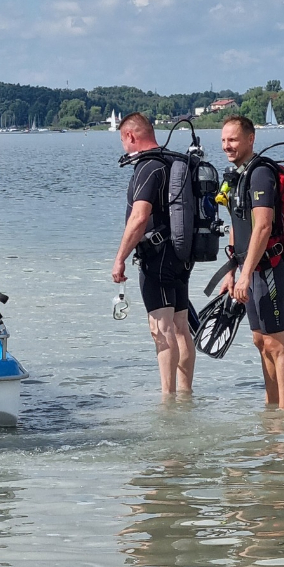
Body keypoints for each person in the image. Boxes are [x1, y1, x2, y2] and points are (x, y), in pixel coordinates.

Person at [111, 112, 195, 397]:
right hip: (183, 254)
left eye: (123, 141)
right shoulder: (174, 161)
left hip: (157, 256)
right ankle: (186, 394)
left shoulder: (147, 167)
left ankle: (167, 399)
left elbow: (139, 217)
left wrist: (120, 257)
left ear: (130, 137)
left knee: (160, 326)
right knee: (180, 325)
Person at [220, 115, 284, 408]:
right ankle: (271, 407)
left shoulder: (261, 174)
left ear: (251, 139)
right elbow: (236, 227)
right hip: (249, 272)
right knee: (260, 341)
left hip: (268, 270)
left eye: (233, 140)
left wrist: (245, 274)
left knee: (277, 343)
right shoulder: (238, 175)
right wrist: (232, 271)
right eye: (224, 140)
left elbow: (263, 227)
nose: (227, 146)